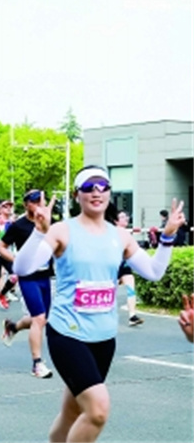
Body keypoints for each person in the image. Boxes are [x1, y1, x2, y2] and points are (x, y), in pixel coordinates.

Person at [13, 165, 185, 443]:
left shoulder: (121, 236)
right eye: (88, 186)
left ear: (109, 192)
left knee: (72, 412)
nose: (96, 192)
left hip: (104, 337)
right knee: (98, 410)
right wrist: (39, 232)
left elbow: (154, 272)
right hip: (68, 333)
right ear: (76, 194)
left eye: (103, 186)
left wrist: (167, 237)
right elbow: (23, 268)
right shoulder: (61, 231)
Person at [0, 189, 54, 379]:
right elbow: (1, 247)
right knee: (39, 318)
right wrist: (17, 261)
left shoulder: (49, 221)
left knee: (42, 318)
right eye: (34, 201)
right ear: (26, 204)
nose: (38, 204)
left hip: (45, 276)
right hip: (28, 277)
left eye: (40, 201)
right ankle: (37, 363)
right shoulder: (19, 225)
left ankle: (13, 327)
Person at [106, 207, 144, 326]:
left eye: (126, 216)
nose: (125, 218)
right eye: (122, 217)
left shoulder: (127, 233)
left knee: (131, 288)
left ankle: (132, 316)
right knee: (110, 292)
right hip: (113, 267)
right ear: (116, 221)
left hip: (125, 266)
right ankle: (105, 315)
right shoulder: (110, 233)